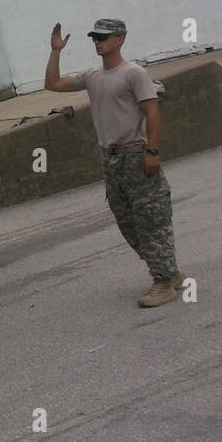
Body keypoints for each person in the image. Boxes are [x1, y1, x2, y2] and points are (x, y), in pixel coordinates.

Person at [44, 19, 185, 307]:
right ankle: (169, 272)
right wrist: (56, 51)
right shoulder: (93, 76)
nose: (97, 41)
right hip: (110, 160)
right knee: (127, 223)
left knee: (151, 221)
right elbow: (53, 84)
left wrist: (153, 153)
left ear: (120, 39)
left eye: (104, 37)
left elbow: (152, 113)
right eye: (95, 36)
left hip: (136, 154)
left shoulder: (134, 73)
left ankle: (163, 283)